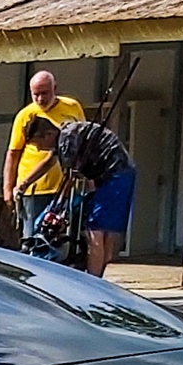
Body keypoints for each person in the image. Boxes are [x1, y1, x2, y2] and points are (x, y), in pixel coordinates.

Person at [13, 111, 136, 276]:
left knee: (94, 229)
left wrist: (57, 209)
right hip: (120, 172)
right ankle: (100, 269)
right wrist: (25, 183)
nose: (39, 149)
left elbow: (71, 178)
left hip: (113, 176)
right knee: (106, 229)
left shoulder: (67, 140)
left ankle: (93, 280)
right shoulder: (65, 133)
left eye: (39, 143)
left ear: (49, 134)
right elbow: (49, 161)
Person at [2, 71, 84, 240]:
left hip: (65, 187)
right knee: (33, 237)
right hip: (34, 189)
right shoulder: (26, 115)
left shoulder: (72, 107)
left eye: (44, 93)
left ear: (55, 89)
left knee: (60, 237)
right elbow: (13, 153)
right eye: (35, 95)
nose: (40, 99)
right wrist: (7, 188)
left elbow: (83, 142)